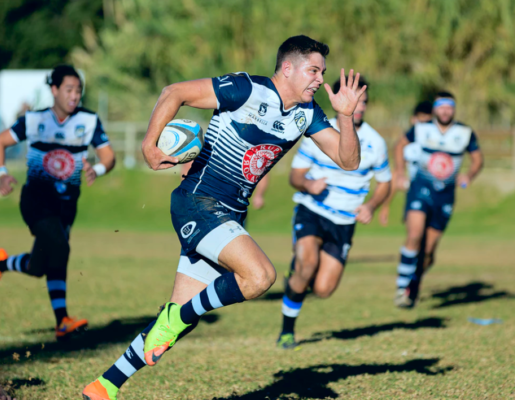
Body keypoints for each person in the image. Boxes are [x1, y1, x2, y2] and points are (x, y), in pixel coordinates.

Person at [82, 35, 366, 400]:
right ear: (287, 68)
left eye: (322, 72)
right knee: (260, 275)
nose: (319, 79)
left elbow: (349, 161)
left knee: (173, 327)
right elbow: (174, 92)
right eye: (313, 71)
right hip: (198, 202)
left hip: (229, 215)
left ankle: (105, 385)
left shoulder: (306, 114)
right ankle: (177, 317)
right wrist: (149, 146)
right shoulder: (246, 89)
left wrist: (345, 116)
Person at [0, 65, 116, 340]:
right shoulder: (34, 120)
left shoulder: (89, 121)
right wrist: (2, 174)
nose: (75, 95)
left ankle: (2, 264)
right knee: (60, 247)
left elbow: (108, 157)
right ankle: (62, 321)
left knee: (39, 266)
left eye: (78, 90)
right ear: (54, 90)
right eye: (69, 89)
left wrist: (98, 169)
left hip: (67, 205)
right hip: (36, 200)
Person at [275, 76, 391, 349]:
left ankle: (299, 278)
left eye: (363, 101)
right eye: (354, 100)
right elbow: (295, 175)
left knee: (324, 289)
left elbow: (386, 183)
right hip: (312, 211)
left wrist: (371, 206)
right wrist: (308, 184)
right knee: (306, 265)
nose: (358, 106)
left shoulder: (375, 142)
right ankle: (287, 331)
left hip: (344, 221)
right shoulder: (319, 133)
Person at [393, 92, 483, 308]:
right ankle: (401, 287)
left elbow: (478, 159)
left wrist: (468, 175)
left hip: (445, 195)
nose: (445, 111)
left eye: (449, 107)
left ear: (454, 109)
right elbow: (399, 146)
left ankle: (413, 284)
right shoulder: (422, 129)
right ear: (435, 109)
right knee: (414, 236)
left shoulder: (464, 132)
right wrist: (400, 172)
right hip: (420, 189)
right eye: (441, 107)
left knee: (429, 251)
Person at [378, 101, 432, 226]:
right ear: (414, 119)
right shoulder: (409, 149)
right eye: (421, 119)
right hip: (415, 193)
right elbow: (396, 176)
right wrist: (386, 206)